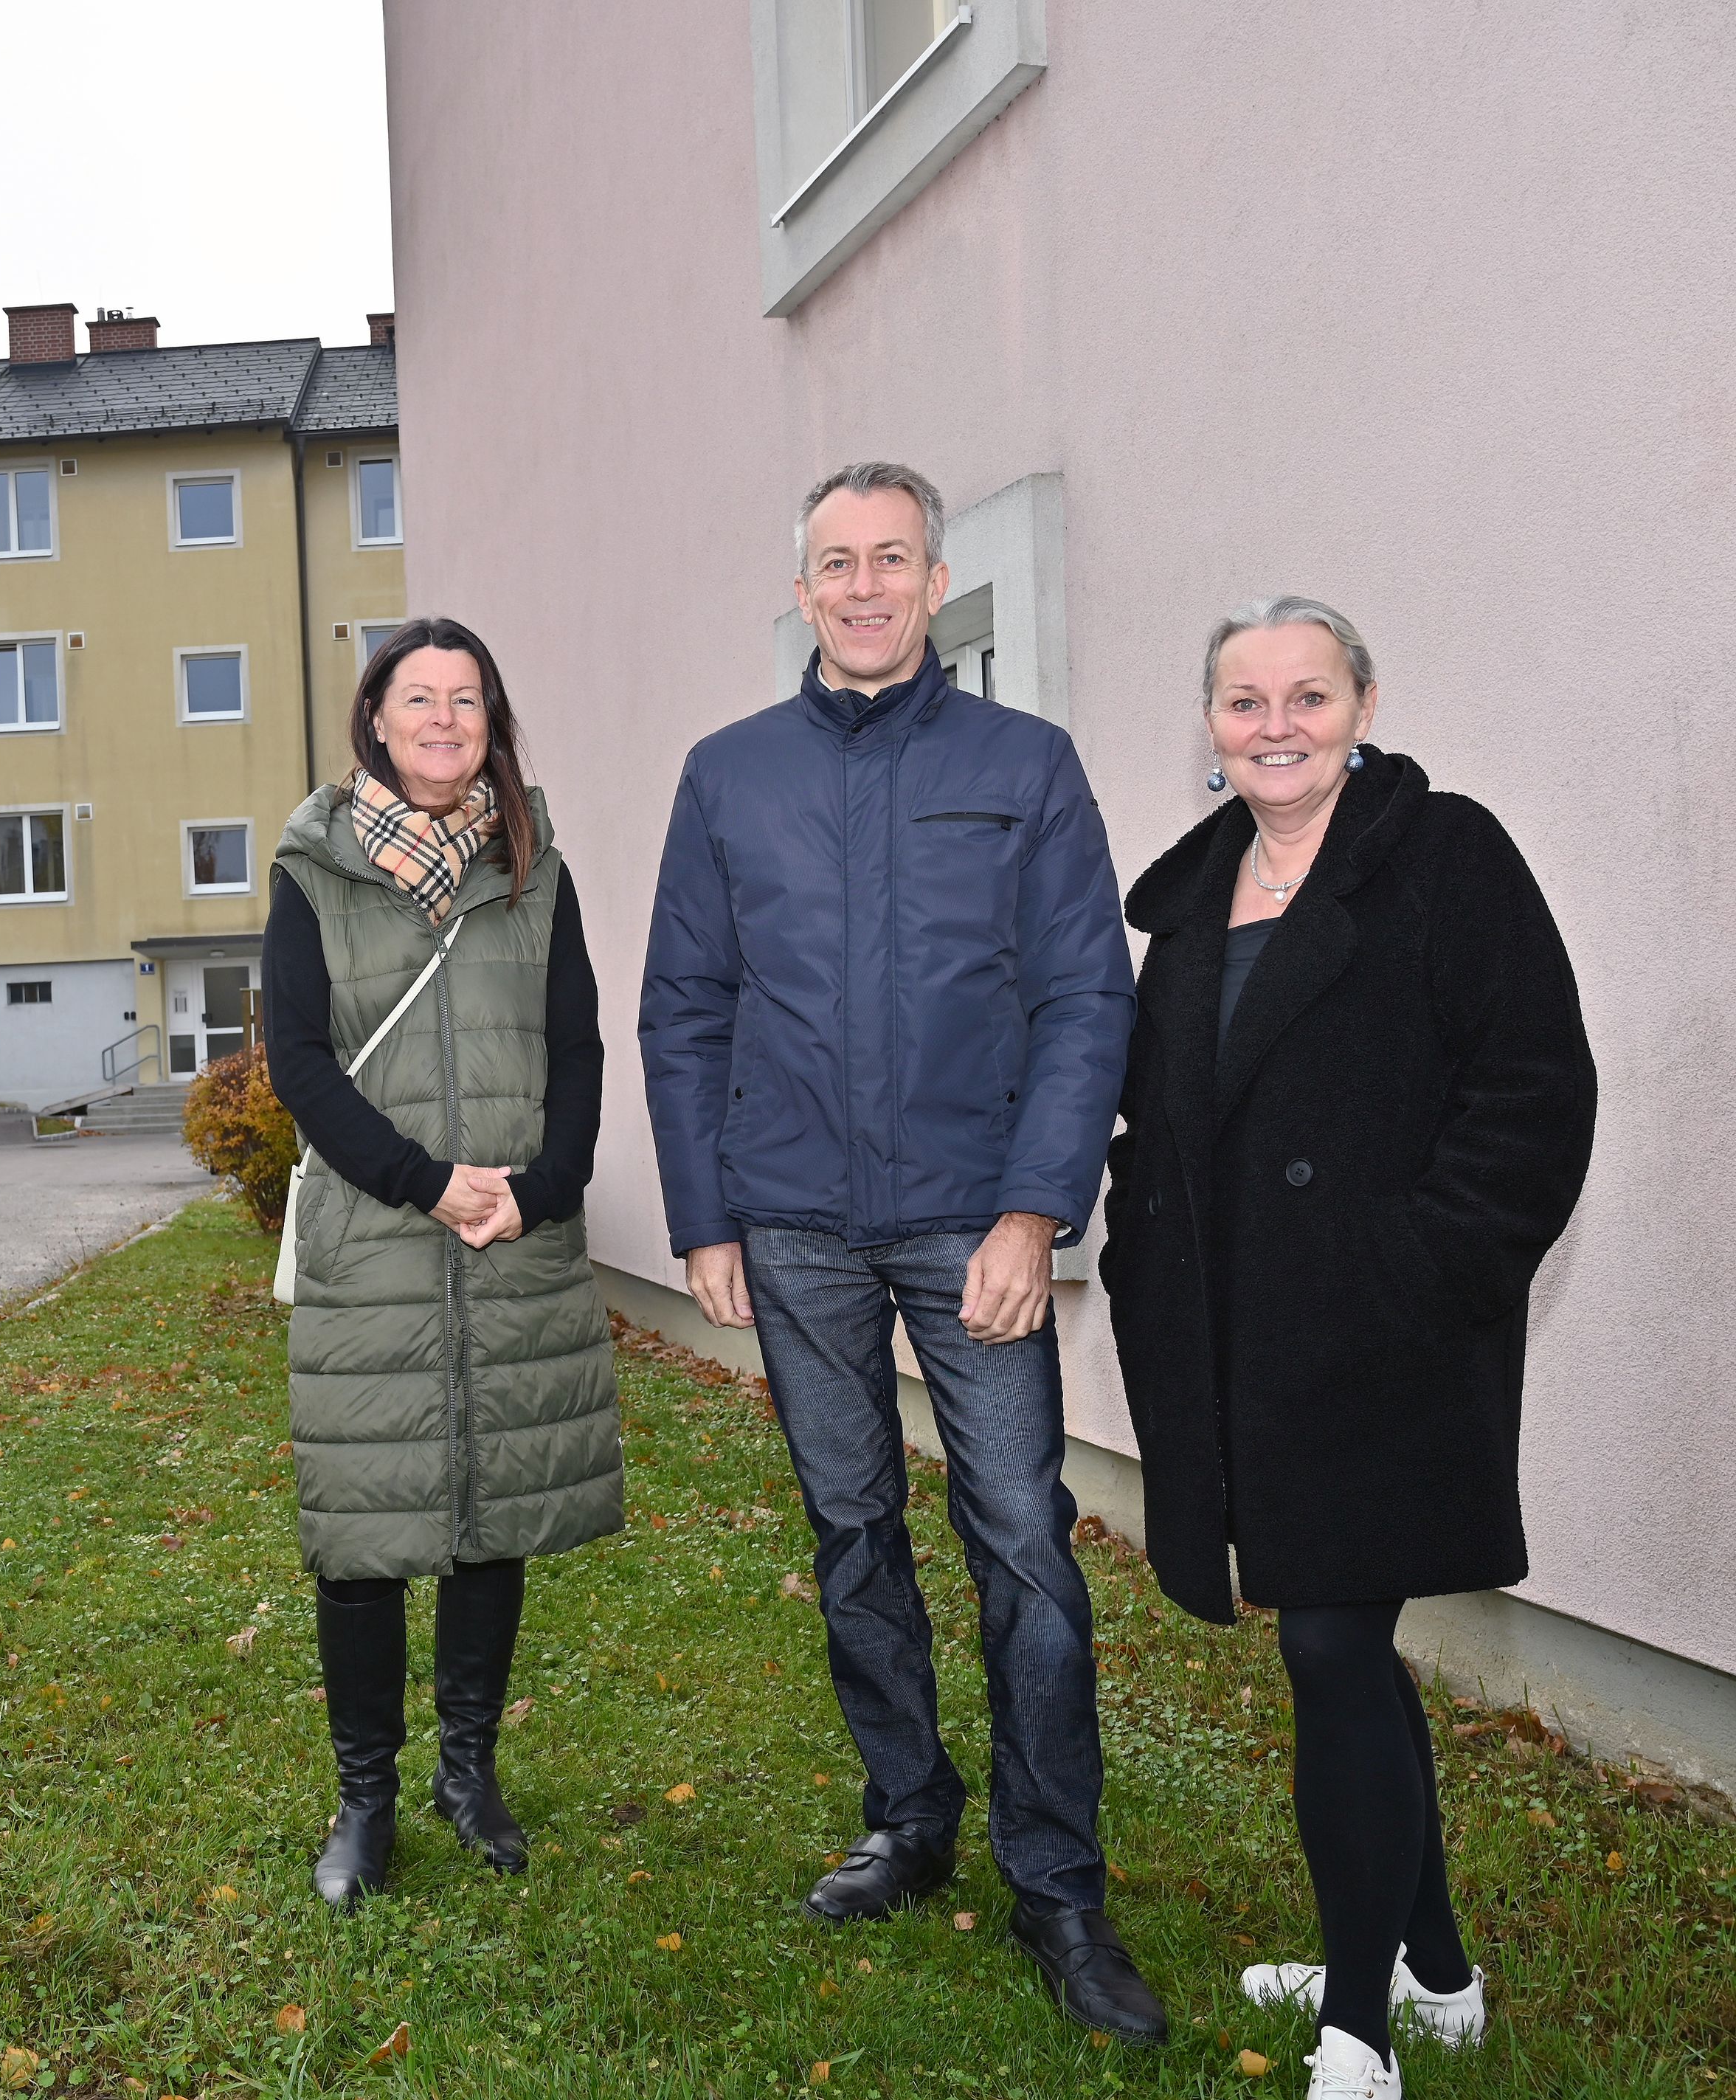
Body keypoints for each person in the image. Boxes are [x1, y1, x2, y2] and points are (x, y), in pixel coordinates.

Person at [640, 462, 1163, 2042]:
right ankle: (909, 1812)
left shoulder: (1024, 763)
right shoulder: (727, 777)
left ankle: (1055, 1885)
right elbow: (684, 1007)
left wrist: (1030, 1212)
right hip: (788, 1220)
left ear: (934, 583)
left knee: (1018, 1536)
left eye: (889, 560)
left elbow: (1086, 998)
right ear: (797, 592)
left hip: (968, 1219)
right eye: (831, 564)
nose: (861, 586)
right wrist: (703, 1213)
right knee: (851, 1525)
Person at [1098, 597, 1597, 2099]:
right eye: (1242, 701)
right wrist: (1138, 1258)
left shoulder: (1445, 859)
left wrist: (1418, 1261)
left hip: (1380, 1336)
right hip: (1237, 1344)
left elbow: (1531, 1088)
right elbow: (1153, 1121)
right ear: (1209, 724)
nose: (1274, 724)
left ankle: (1358, 2033)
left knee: (1324, 1642)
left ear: (1359, 701)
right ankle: (1429, 1969)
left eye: (1304, 695)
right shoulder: (1190, 904)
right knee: (1343, 1653)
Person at [263, 615, 622, 1912]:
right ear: (376, 717)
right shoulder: (314, 867)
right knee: (364, 1529)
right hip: (379, 1236)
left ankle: (468, 1775)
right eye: (419, 698)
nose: (443, 720)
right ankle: (366, 1799)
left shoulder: (538, 866)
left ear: (491, 722)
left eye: (466, 701)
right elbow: (298, 1058)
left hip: (512, 1236)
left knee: (493, 1507)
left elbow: (577, 1045)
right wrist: (426, 1181)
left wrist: (542, 1185)